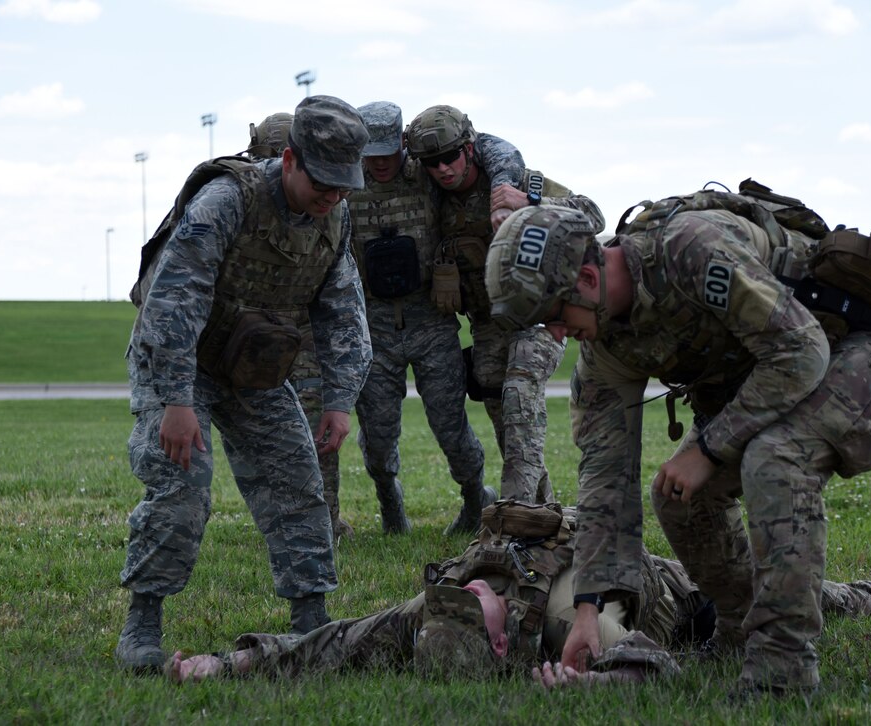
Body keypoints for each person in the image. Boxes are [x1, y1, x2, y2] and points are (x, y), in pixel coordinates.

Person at [484, 196, 871, 698]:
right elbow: (605, 480)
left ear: (587, 280)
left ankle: (782, 669)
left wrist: (710, 449)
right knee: (677, 494)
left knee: (775, 459)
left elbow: (802, 351)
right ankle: (738, 629)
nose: (557, 333)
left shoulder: (691, 250)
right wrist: (589, 609)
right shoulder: (606, 346)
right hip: (776, 370)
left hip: (861, 344)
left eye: (555, 314)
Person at [165, 500, 871, 685]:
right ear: (496, 645)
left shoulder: (457, 595)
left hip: (668, 573)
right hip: (688, 613)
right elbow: (658, 668)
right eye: (477, 607)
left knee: (812, 594)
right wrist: (593, 683)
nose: (475, 593)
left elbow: (331, 636)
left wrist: (218, 662)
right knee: (801, 606)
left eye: (473, 593)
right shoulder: (501, 630)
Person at [116, 95, 372, 673]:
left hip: (254, 365)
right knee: (182, 486)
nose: (331, 196)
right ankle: (143, 622)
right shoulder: (227, 201)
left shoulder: (336, 215)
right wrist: (177, 400)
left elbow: (342, 309)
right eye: (322, 182)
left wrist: (339, 400)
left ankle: (311, 620)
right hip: (179, 360)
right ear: (289, 161)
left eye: (342, 186)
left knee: (297, 480)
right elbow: (172, 303)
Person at [404, 105, 606, 505]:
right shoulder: (434, 202)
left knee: (518, 392)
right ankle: (542, 507)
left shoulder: (517, 182)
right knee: (505, 415)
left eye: (450, 156)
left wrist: (530, 202)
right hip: (488, 321)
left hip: (542, 313)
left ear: (469, 148)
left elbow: (593, 215)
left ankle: (516, 511)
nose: (443, 168)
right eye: (432, 162)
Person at [347, 101, 525, 535]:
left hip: (431, 321)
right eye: (373, 154)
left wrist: (503, 184)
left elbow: (488, 149)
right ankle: (390, 503)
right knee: (378, 435)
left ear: (403, 146)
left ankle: (471, 499)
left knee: (451, 427)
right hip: (374, 328)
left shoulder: (425, 173)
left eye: (391, 152)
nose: (382, 163)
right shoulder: (345, 185)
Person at [246, 111, 352, 540]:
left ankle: (322, 522)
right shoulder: (240, 201)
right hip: (253, 335)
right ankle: (289, 520)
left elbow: (341, 292)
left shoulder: (329, 206)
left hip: (304, 334)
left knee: (316, 431)